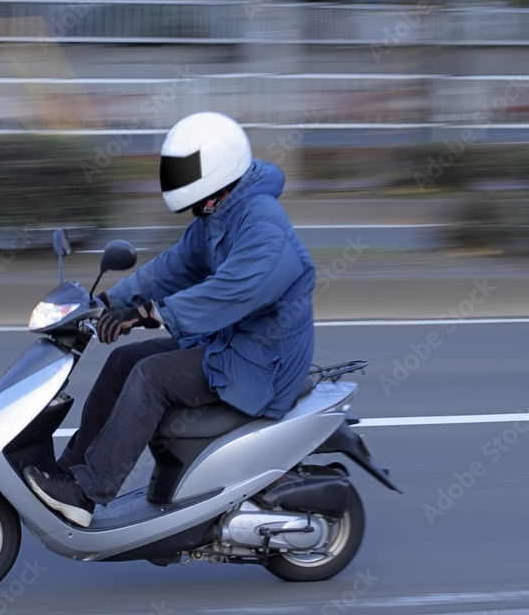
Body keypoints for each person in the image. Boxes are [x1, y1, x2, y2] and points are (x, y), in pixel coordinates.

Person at [23, 111, 316, 527]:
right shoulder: (220, 215)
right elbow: (172, 267)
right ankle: (70, 473)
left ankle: (89, 492)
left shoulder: (262, 222)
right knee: (122, 362)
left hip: (262, 362)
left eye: (184, 168)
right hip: (229, 346)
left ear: (215, 165)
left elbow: (235, 289)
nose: (174, 177)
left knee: (150, 375)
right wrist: (106, 302)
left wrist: (153, 313)